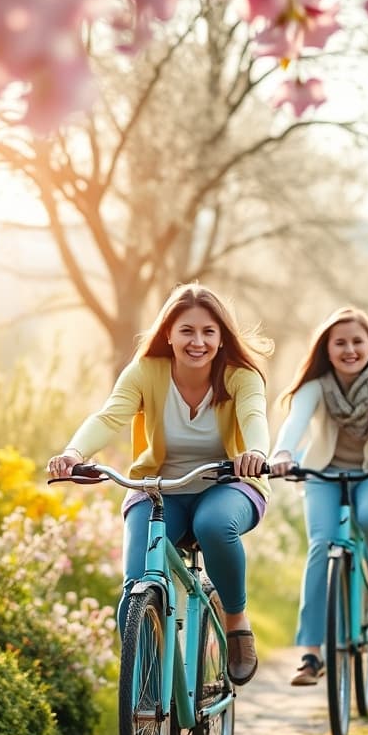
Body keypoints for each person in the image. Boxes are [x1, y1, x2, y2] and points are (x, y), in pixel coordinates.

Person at [47, 283, 271, 686]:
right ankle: (148, 689)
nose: (197, 341)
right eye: (186, 330)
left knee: (214, 525)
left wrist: (253, 452)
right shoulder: (146, 372)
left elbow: (254, 416)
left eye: (208, 332)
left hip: (229, 484)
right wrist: (73, 453)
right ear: (168, 333)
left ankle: (235, 619)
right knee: (137, 587)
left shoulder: (241, 377)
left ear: (221, 339)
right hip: (158, 488)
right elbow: (109, 416)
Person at [269, 307, 368, 687]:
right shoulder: (317, 385)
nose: (350, 349)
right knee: (321, 548)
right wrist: (282, 454)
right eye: (340, 343)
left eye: (358, 341)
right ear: (327, 348)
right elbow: (295, 423)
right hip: (324, 472)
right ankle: (311, 654)